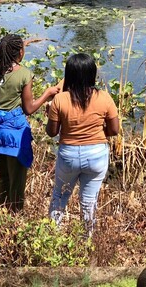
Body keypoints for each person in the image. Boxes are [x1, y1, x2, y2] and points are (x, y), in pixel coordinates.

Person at [0, 34, 60, 211]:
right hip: (14, 135)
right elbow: (29, 109)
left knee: (4, 178)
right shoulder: (24, 74)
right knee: (18, 181)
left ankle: (2, 214)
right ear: (19, 53)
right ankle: (15, 217)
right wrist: (47, 94)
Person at [47, 53, 120, 233]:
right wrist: (99, 132)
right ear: (92, 75)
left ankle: (51, 238)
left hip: (68, 155)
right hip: (96, 155)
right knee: (88, 202)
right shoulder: (104, 97)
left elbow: (52, 132)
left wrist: (49, 114)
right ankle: (88, 240)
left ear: (69, 75)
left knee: (60, 196)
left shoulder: (60, 99)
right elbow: (114, 130)